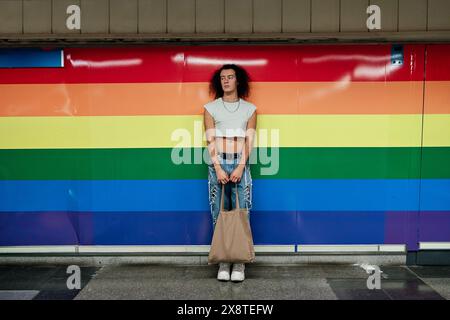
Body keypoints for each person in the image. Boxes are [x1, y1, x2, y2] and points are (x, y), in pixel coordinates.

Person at [203, 64, 257, 282]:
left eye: (230, 77)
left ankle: (240, 263)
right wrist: (217, 166)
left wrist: (240, 166)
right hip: (217, 163)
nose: (226, 81)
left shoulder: (250, 109)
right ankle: (223, 261)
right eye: (223, 77)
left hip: (240, 163)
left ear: (238, 81)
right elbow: (210, 139)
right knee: (219, 211)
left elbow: (250, 140)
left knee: (242, 210)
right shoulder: (210, 108)